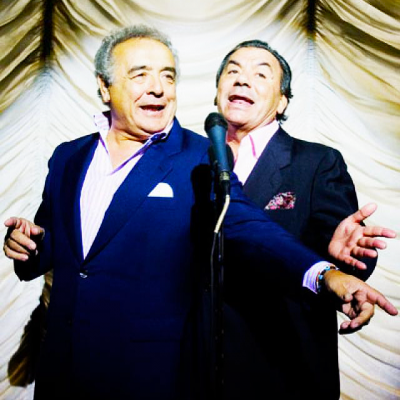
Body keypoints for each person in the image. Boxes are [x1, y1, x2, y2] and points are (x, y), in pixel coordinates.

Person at [3, 26, 397, 400]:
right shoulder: (68, 156)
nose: (158, 87)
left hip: (211, 371)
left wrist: (328, 272)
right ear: (105, 87)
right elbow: (67, 246)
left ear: (283, 100)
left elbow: (250, 226)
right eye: (140, 75)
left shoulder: (197, 159)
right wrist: (29, 245)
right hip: (69, 369)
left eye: (168, 76)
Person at [215, 39, 397, 399]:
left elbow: (343, 261)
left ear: (282, 101)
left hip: (284, 367)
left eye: (260, 74)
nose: (242, 80)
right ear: (217, 90)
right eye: (233, 71)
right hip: (201, 368)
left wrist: (344, 256)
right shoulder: (191, 164)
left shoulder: (316, 162)